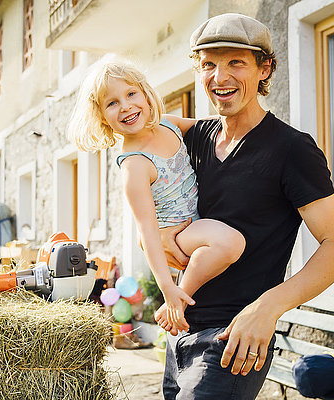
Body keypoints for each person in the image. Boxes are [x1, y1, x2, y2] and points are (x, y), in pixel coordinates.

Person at [155, 13, 334, 399]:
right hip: (178, 334)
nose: (220, 77)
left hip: (235, 339)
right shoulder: (196, 136)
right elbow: (142, 129)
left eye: (236, 63)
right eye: (209, 64)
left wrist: (267, 308)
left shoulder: (292, 150)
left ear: (264, 68)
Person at [68, 59, 246, 333]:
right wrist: (166, 287)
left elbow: (209, 126)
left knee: (229, 242)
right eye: (112, 103)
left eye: (130, 94)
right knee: (231, 242)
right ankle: (178, 297)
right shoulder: (135, 165)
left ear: (145, 92)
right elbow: (148, 233)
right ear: (102, 117)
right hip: (177, 234)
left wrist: (244, 116)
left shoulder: (168, 124)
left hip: (197, 223)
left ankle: (181, 294)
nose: (125, 106)